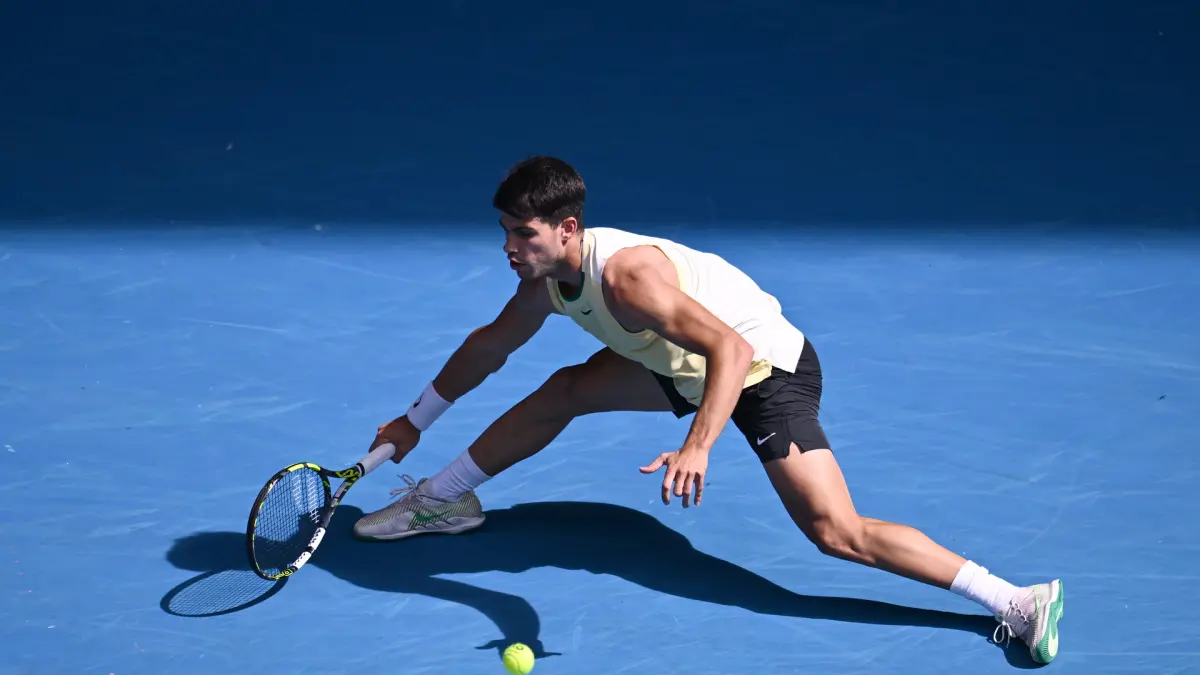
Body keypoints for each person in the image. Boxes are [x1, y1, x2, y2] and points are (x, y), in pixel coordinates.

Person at [353, 156, 1064, 664]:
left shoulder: (627, 280)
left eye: (524, 234)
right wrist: (416, 419)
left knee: (836, 531)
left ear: (567, 228)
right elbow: (490, 345)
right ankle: (443, 499)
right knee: (565, 390)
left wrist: (698, 446)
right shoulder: (545, 280)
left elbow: (729, 348)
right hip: (682, 363)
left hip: (761, 369)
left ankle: (1015, 600)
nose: (510, 248)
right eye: (506, 232)